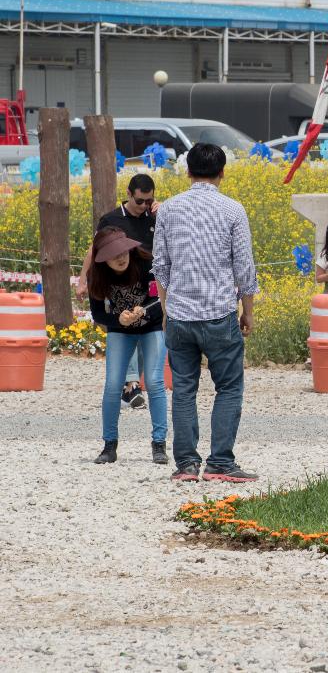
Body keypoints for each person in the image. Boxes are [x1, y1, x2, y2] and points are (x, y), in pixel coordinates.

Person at [153, 143, 259, 482]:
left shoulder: (168, 209)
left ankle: (185, 465)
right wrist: (248, 311)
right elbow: (244, 268)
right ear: (222, 172)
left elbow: (161, 266)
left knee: (184, 388)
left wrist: (168, 309)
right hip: (219, 313)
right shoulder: (232, 210)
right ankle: (221, 463)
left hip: (181, 314)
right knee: (228, 387)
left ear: (187, 171)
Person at [78, 172, 160, 410]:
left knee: (145, 329)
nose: (143, 206)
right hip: (118, 284)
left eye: (148, 201)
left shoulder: (154, 216)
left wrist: (165, 210)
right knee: (124, 323)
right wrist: (83, 279)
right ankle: (132, 383)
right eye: (139, 201)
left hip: (148, 284)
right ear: (128, 195)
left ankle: (130, 384)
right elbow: (94, 250)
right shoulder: (111, 219)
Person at [86, 227, 169, 466]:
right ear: (102, 259)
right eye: (114, 255)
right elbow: (97, 313)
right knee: (113, 384)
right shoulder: (97, 275)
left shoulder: (146, 262)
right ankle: (109, 444)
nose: (121, 258)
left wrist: (145, 308)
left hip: (151, 327)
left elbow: (159, 296)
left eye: (124, 252)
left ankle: (159, 444)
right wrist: (118, 320)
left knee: (154, 381)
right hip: (120, 331)